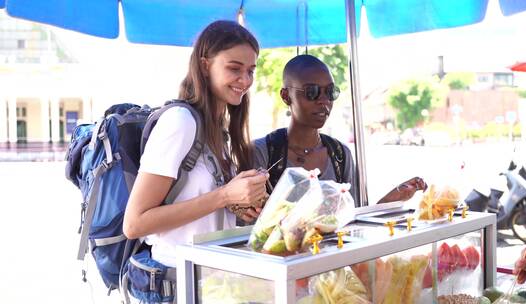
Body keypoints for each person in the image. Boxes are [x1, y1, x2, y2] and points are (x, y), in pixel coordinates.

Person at [123, 20, 268, 270]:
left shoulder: (218, 127)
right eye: (235, 68)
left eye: (251, 71)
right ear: (205, 65)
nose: (245, 81)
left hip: (212, 280)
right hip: (176, 281)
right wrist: (224, 196)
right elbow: (134, 224)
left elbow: (201, 207)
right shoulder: (180, 122)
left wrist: (238, 205)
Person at [252, 54, 426, 209]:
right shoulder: (263, 152)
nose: (323, 101)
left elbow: (353, 219)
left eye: (330, 92)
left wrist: (393, 198)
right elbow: (247, 229)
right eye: (311, 92)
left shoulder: (340, 155)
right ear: (285, 96)